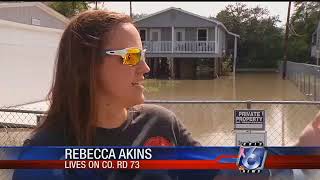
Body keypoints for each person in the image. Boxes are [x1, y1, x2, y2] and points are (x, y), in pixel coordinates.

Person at [12, 10, 212, 180]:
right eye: (131, 56)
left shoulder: (162, 124)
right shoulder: (44, 153)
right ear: (86, 66)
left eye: (143, 55)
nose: (146, 68)